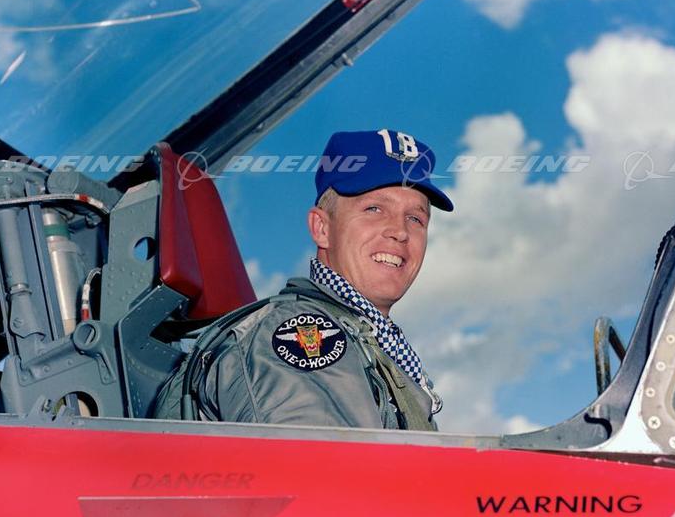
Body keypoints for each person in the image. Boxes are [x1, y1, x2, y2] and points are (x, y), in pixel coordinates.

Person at [153, 128, 452, 430]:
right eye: (374, 209)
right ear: (322, 228)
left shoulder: (370, 345)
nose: (400, 231)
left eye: (415, 218)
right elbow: (329, 459)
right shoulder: (305, 334)